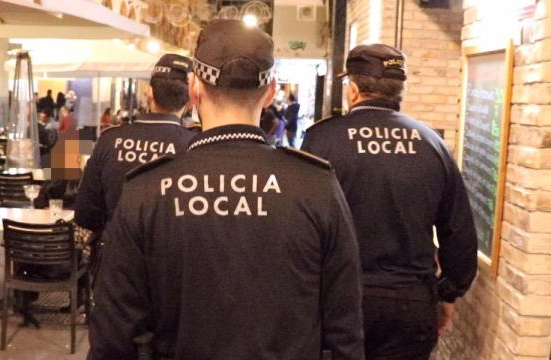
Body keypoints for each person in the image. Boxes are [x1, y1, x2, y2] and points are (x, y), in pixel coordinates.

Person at [88, 20, 364, 360]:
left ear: (194, 89)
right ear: (270, 91)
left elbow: (113, 335)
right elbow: (345, 331)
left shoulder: (147, 190)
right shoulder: (315, 185)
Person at [301, 44, 478, 359]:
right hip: (410, 303)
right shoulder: (432, 143)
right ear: (400, 91)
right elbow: (460, 232)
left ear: (353, 90)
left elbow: (300, 226)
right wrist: (449, 293)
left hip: (335, 302)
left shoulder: (321, 140)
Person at [75, 53, 196, 237]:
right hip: (169, 261)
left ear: (149, 92)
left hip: (115, 256)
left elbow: (85, 214)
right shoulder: (195, 147)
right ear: (190, 101)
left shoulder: (110, 140)